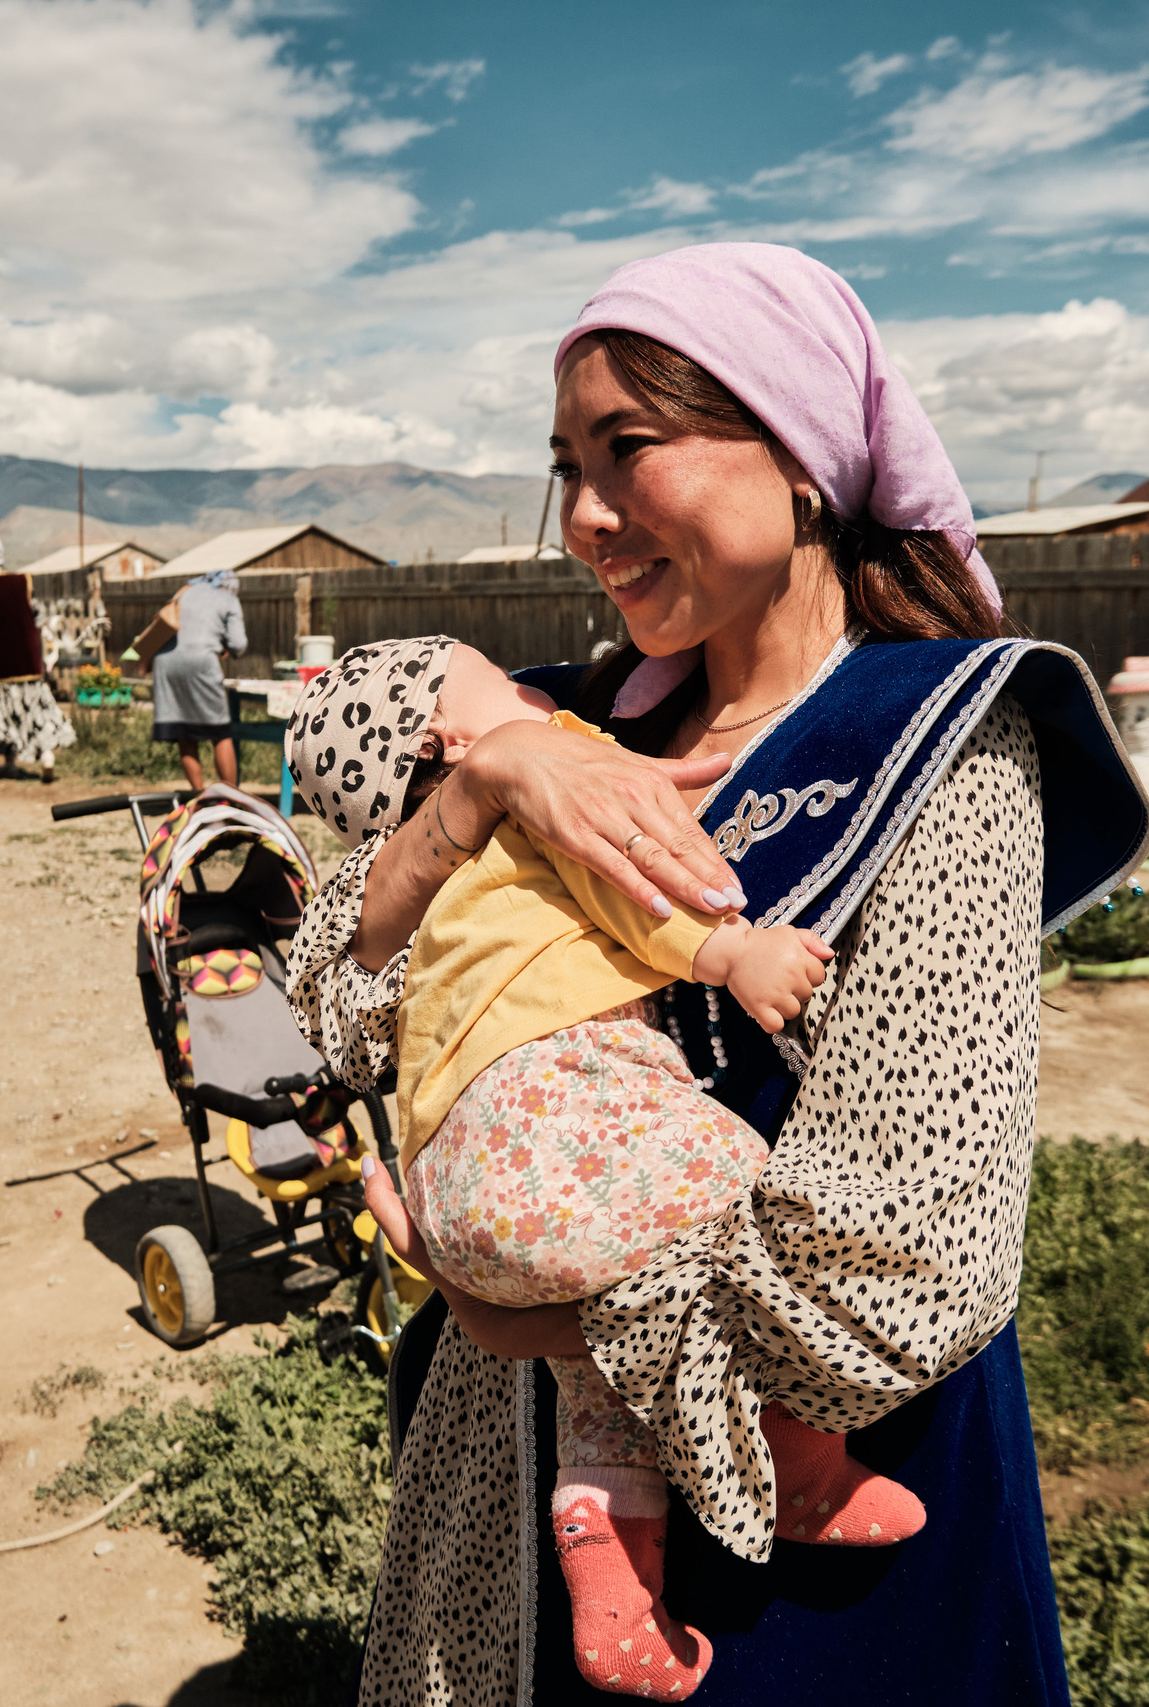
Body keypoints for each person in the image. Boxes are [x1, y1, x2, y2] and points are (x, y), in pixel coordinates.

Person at [286, 245, 1149, 1704]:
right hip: (504, 1485)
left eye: (629, 449)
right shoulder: (549, 721)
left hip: (810, 1519)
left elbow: (904, 1268)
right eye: (563, 465)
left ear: (803, 454)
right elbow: (335, 1004)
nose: (582, 518)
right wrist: (480, 791)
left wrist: (524, 1308)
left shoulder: (941, 742)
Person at [289, 639, 925, 1698]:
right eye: (489, 675)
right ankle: (791, 1451)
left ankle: (615, 1585)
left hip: (465, 1175)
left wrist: (503, 1315)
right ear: (449, 742)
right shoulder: (550, 758)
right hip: (552, 1124)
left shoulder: (521, 783)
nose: (522, 679)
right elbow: (625, 883)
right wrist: (729, 955)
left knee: (602, 1373)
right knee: (744, 1185)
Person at [0, 533, 75, 781]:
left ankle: (10, 763)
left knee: (4, 715)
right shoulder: (23, 581)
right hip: (25, 660)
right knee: (35, 710)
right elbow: (38, 615)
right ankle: (46, 755)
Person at [151, 567, 246, 793]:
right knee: (220, 732)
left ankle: (198, 794)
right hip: (201, 663)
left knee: (184, 732)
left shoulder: (184, 592)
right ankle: (232, 798)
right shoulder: (227, 599)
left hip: (165, 662)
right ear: (231, 586)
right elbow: (238, 644)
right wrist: (224, 647)